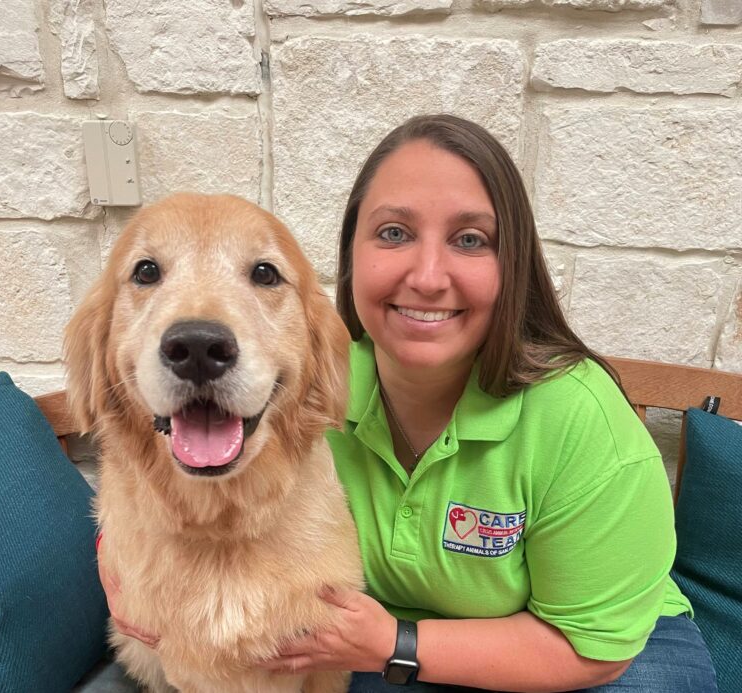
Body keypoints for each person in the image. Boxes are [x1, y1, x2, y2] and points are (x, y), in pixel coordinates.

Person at [99, 114, 718, 692]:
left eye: (470, 239)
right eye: (394, 233)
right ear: (351, 256)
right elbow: (142, 467)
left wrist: (394, 644)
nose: (426, 275)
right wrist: (116, 559)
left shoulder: (579, 421)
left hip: (602, 650)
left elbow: (598, 648)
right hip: (383, 644)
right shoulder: (315, 385)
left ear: (515, 265)